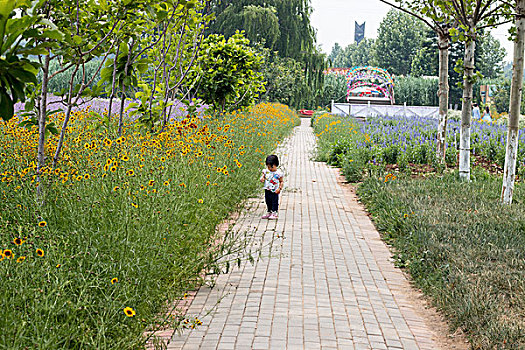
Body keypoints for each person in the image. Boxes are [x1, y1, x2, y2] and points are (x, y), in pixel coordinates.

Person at [260, 155, 284, 220]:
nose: (270, 168)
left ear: (276, 165)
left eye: (271, 167)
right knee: (268, 201)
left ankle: (274, 212)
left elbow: (281, 181)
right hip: (267, 189)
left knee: (274, 201)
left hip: (275, 190)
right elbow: (263, 177)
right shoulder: (266, 171)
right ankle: (269, 211)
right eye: (268, 167)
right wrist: (262, 178)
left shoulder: (278, 173)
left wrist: (279, 188)